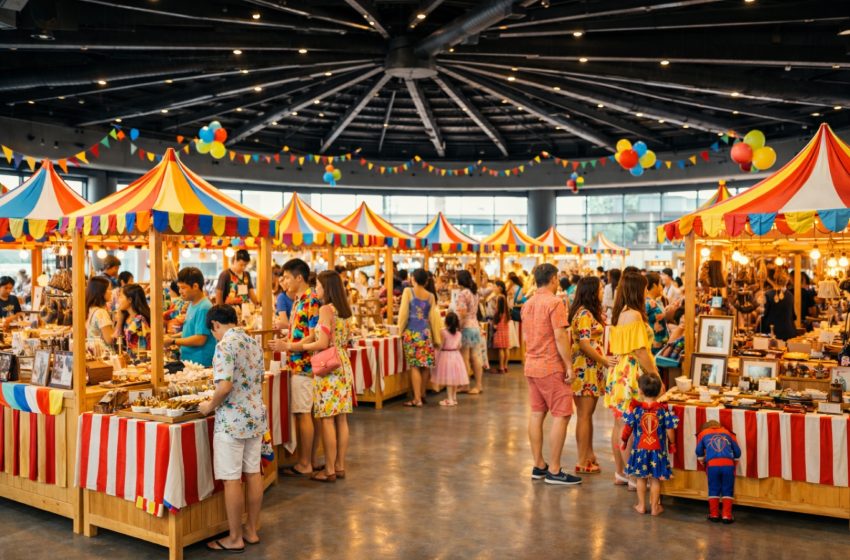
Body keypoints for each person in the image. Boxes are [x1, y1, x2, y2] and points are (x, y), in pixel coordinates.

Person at [199, 304, 267, 552]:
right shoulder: (253, 342)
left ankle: (234, 537)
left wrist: (209, 405)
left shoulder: (224, 345)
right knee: (252, 474)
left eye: (213, 331)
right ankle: (251, 530)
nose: (214, 336)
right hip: (255, 415)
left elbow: (224, 386)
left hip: (232, 420)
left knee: (231, 480)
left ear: (216, 325)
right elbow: (259, 379)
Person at [287, 270, 355, 483]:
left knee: (326, 420)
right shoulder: (345, 311)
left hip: (328, 366)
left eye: (317, 285)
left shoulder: (326, 309)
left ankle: (329, 470)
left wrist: (298, 346)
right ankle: (340, 465)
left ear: (327, 287)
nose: (316, 289)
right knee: (342, 418)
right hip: (343, 364)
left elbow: (322, 343)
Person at [522, 263, 581, 486]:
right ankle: (554, 470)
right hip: (551, 366)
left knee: (537, 413)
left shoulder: (528, 304)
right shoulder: (555, 303)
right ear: (554, 279)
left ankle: (539, 465)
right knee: (562, 414)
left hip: (531, 365)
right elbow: (560, 337)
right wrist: (569, 365)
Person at [605, 271, 659, 488]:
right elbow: (640, 351)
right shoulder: (635, 315)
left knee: (619, 425)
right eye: (645, 288)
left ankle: (621, 472)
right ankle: (633, 475)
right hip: (632, 374)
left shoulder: (620, 313)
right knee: (630, 426)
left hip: (619, 373)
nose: (647, 292)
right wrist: (654, 375)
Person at [269, 258, 321, 477]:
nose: (284, 281)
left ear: (299, 277)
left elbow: (313, 334)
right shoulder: (300, 300)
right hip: (298, 363)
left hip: (304, 365)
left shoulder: (310, 300)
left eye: (287, 277)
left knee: (303, 413)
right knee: (305, 413)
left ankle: (305, 462)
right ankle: (308, 459)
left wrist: (287, 344)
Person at [569, 276, 617, 475]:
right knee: (584, 416)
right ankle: (582, 459)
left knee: (586, 416)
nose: (601, 291)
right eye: (599, 288)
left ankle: (588, 454)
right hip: (585, 369)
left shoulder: (585, 312)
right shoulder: (585, 314)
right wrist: (604, 360)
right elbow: (584, 343)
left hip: (590, 368)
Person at [620, 373, 678, 516]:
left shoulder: (636, 410)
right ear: (659, 391)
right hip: (657, 450)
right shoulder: (663, 411)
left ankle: (641, 505)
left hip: (640, 450)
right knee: (655, 479)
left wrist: (624, 440)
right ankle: (655, 507)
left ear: (640, 391)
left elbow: (628, 428)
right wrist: (672, 443)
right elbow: (670, 430)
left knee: (641, 478)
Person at [398, 268, 442, 407]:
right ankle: (422, 395)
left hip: (412, 333)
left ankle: (416, 399)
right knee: (425, 366)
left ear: (413, 279)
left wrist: (400, 331)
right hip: (425, 333)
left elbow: (403, 314)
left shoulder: (408, 292)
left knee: (415, 366)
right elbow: (433, 318)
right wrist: (436, 338)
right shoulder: (431, 296)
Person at [164, 267, 216, 366]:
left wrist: (173, 341)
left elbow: (200, 339)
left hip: (200, 362)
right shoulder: (192, 304)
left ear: (195, 286)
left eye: (183, 288)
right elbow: (190, 332)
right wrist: (171, 336)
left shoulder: (204, 307)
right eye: (179, 288)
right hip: (189, 360)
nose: (180, 291)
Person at [696, 420, 741, 523]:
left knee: (713, 489)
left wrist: (702, 460)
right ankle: (726, 516)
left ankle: (714, 515)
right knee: (728, 489)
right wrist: (735, 460)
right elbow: (737, 451)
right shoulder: (727, 433)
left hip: (712, 465)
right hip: (728, 465)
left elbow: (698, 451)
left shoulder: (703, 433)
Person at [455, 270, 484, 395]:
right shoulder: (474, 293)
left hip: (466, 328)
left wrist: (458, 327)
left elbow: (461, 312)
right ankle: (478, 385)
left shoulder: (462, 294)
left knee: (465, 358)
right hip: (475, 326)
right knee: (476, 357)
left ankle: (465, 385)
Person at [433, 312, 467, 406]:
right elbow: (459, 345)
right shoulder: (459, 333)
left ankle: (449, 399)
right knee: (455, 378)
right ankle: (454, 397)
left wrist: (436, 353)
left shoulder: (443, 332)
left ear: (446, 322)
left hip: (446, 356)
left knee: (448, 379)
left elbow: (441, 345)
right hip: (456, 355)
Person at [118, 284, 150, 361]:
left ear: (130, 300)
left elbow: (142, 346)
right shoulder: (126, 317)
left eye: (121, 296)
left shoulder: (139, 320)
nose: (118, 299)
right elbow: (118, 337)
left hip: (139, 362)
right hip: (130, 360)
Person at [761, 269, 796, 340]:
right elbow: (793, 316)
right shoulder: (790, 295)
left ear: (771, 280)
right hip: (789, 333)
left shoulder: (768, 294)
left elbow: (764, 314)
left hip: (772, 333)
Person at [85, 276, 115, 347]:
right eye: (109, 289)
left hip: (95, 352)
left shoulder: (91, 309)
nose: (111, 292)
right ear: (101, 292)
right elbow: (109, 339)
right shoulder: (101, 313)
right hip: (104, 354)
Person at [490, 280, 510, 373]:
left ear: (500, 288)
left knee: (501, 347)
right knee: (506, 346)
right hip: (505, 323)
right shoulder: (504, 297)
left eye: (495, 286)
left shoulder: (499, 298)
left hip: (500, 323)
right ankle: (505, 366)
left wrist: (495, 323)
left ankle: (501, 367)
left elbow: (498, 312)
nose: (493, 288)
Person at [645, 272, 668, 352]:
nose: (661, 287)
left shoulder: (657, 301)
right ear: (655, 285)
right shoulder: (647, 303)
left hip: (661, 342)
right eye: (660, 284)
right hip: (653, 344)